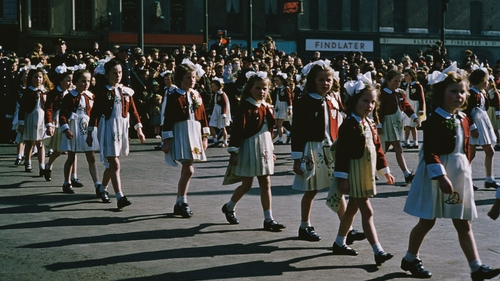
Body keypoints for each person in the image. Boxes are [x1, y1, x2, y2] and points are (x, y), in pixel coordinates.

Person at [402, 70, 500, 280]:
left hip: (458, 173)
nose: (459, 96)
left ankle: (476, 267)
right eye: (453, 91)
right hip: (437, 173)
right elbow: (430, 152)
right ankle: (410, 257)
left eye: (462, 92)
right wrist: (441, 176)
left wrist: (465, 171)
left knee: (463, 222)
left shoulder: (463, 117)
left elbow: (464, 149)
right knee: (427, 220)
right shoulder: (435, 119)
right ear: (441, 93)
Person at [291, 60, 365, 244]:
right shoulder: (305, 102)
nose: (325, 83)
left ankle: (347, 227)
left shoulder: (334, 98)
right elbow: (297, 130)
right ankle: (304, 225)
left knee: (338, 187)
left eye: (329, 79)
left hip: (333, 148)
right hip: (313, 148)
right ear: (312, 81)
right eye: (321, 79)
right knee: (311, 190)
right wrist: (297, 158)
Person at [329, 77, 395, 266]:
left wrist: (384, 170)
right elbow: (341, 154)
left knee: (351, 210)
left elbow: (378, 147)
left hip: (365, 173)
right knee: (368, 211)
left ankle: (339, 242)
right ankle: (378, 250)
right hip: (353, 173)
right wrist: (342, 177)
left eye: (373, 101)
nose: (369, 105)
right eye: (365, 101)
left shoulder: (368, 123)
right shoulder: (349, 124)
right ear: (354, 102)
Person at [221, 70, 286, 231]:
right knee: (247, 184)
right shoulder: (245, 106)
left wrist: (271, 150)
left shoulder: (266, 106)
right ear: (250, 88)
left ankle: (268, 218)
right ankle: (229, 206)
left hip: (264, 147)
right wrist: (234, 152)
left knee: (266, 182)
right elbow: (237, 130)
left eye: (264, 88)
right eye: (258, 88)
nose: (261, 92)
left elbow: (269, 131)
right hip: (249, 146)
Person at [87, 59, 146, 209]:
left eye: (120, 72)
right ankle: (120, 196)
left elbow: (133, 110)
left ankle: (102, 188)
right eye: (114, 73)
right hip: (108, 127)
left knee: (112, 164)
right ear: (107, 75)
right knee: (115, 163)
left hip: (122, 128)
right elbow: (94, 113)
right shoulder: (102, 92)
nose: (118, 75)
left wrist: (139, 129)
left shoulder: (125, 91)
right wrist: (89, 132)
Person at [161, 62, 210, 218]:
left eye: (193, 77)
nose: (192, 80)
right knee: (188, 169)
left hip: (194, 132)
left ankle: (179, 201)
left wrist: (204, 136)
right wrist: (166, 139)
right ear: (180, 79)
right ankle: (183, 200)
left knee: (187, 168)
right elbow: (167, 117)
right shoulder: (174, 95)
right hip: (181, 132)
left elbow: (203, 117)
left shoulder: (196, 95)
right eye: (188, 77)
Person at [59, 69, 106, 200]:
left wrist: (95, 128)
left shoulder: (91, 96)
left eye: (89, 81)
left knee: (91, 156)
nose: (86, 84)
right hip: (73, 126)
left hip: (87, 127)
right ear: (76, 81)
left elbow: (94, 114)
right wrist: (66, 129)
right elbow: (62, 114)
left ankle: (97, 184)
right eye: (83, 81)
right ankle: (67, 181)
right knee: (71, 157)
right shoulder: (69, 96)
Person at [377, 70, 420, 184]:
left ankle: (406, 174)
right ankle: (405, 173)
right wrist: (379, 124)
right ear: (388, 81)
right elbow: (379, 111)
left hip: (397, 122)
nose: (398, 83)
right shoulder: (383, 94)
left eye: (399, 81)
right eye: (395, 81)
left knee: (394, 148)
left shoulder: (400, 93)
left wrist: (414, 117)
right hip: (387, 123)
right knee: (384, 149)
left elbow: (406, 106)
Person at [465, 68, 500, 190]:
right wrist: (472, 127)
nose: (488, 82)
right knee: (470, 154)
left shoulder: (482, 93)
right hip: (474, 125)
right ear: (480, 81)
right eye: (486, 80)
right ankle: (465, 179)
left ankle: (489, 179)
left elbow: (485, 108)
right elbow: (467, 112)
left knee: (490, 151)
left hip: (482, 124)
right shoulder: (471, 94)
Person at [17, 67, 54, 175]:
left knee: (40, 143)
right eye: (35, 77)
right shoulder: (28, 92)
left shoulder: (45, 91)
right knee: (30, 142)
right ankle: (27, 161)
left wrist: (49, 122)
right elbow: (22, 108)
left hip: (42, 119)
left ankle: (41, 165)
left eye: (40, 77)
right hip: (30, 118)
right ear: (31, 79)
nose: (38, 79)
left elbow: (48, 108)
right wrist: (21, 123)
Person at [44, 64, 76, 182]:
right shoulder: (53, 93)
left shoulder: (72, 92)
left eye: (71, 81)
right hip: (57, 122)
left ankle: (74, 176)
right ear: (61, 80)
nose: (70, 83)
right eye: (68, 80)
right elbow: (49, 109)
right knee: (58, 150)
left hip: (70, 122)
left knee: (73, 150)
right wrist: (49, 124)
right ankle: (49, 165)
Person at [402, 68, 426, 149]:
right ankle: (406, 141)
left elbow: (421, 98)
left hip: (414, 104)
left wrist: (421, 109)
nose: (405, 77)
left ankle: (415, 142)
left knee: (413, 125)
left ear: (411, 76)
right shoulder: (405, 85)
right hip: (407, 105)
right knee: (406, 124)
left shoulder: (417, 85)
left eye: (407, 75)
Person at [208, 77, 231, 147]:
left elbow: (224, 104)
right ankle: (215, 139)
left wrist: (224, 113)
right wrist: (211, 113)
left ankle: (225, 141)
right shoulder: (215, 94)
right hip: (215, 111)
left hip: (220, 111)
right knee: (211, 125)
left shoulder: (221, 94)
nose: (212, 88)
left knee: (222, 127)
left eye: (213, 86)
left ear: (218, 86)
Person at [271, 72, 292, 145]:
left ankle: (280, 139)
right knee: (277, 124)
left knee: (280, 124)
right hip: (277, 105)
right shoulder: (276, 89)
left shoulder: (286, 88)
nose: (276, 82)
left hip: (283, 105)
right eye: (275, 80)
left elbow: (289, 98)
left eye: (278, 80)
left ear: (282, 80)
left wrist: (290, 108)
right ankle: (288, 133)